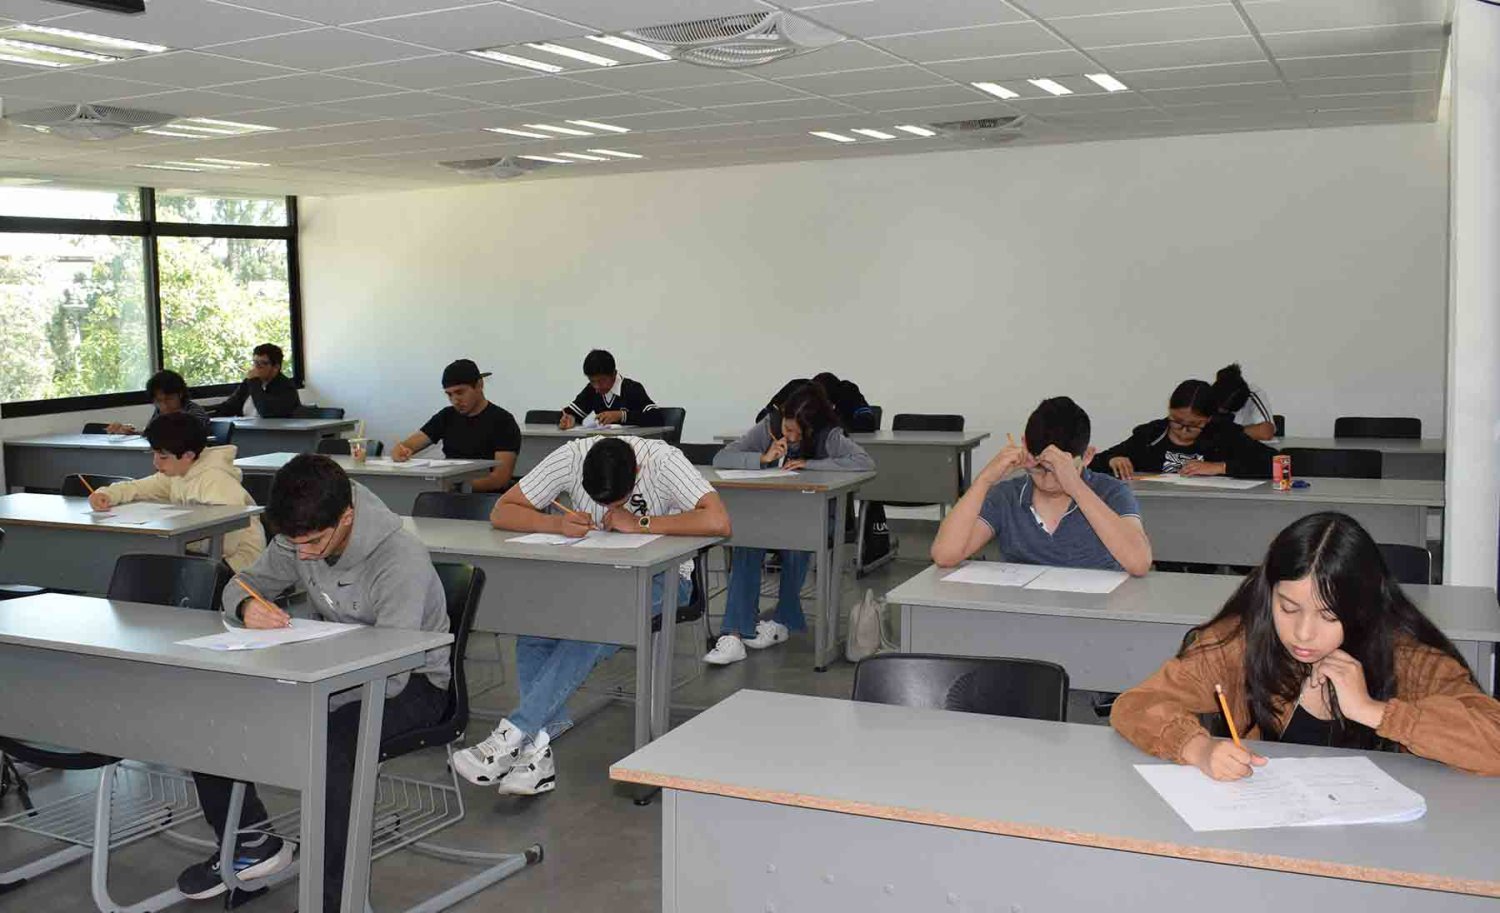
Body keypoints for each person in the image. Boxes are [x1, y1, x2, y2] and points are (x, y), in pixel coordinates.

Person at [178, 455, 451, 907]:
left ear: (347, 517)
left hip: (413, 682)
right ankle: (252, 844)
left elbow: (393, 673)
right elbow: (239, 585)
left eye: (313, 543)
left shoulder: (399, 558)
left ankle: (332, 897)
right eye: (293, 543)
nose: (302, 554)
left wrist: (308, 698)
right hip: (328, 671)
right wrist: (247, 606)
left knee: (332, 745)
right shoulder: (302, 532)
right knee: (216, 714)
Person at [1111, 512, 1500, 779]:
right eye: (1288, 608)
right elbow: (1136, 705)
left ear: (1363, 609)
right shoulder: (1240, 643)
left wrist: (1375, 711)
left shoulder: (1407, 657)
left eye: (1328, 616)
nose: (1303, 633)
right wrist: (1198, 749)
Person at [451, 436, 731, 795]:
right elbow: (502, 511)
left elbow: (719, 521)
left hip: (666, 576)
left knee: (597, 627)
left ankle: (514, 733)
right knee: (534, 625)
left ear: (638, 471)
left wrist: (641, 523)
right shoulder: (571, 455)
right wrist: (556, 525)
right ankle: (537, 751)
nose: (606, 510)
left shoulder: (663, 460)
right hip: (592, 574)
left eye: (616, 502)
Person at [707, 382, 874, 666]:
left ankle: (783, 620)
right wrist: (762, 458)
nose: (791, 437)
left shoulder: (829, 435)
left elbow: (864, 461)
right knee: (748, 540)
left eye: (798, 433)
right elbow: (721, 457)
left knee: (798, 542)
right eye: (788, 429)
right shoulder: (769, 426)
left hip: (817, 516)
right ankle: (734, 633)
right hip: (769, 513)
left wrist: (810, 464)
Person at [931, 396, 1152, 575]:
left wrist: (1076, 487)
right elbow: (945, 555)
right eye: (1038, 468)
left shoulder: (1112, 492)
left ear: (1087, 456)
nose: (1047, 480)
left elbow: (1139, 563)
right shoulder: (1008, 495)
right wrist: (984, 480)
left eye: (1058, 471)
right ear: (1025, 446)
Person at [87, 412, 265, 571]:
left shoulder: (216, 481)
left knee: (154, 568)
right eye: (154, 454)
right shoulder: (178, 472)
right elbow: (139, 487)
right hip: (200, 554)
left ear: (188, 455)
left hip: (239, 564)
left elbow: (228, 542)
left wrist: (179, 532)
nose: (156, 463)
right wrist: (107, 494)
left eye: (163, 457)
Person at [1091, 379, 1277, 480]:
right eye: (1177, 422)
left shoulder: (1224, 435)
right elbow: (1093, 462)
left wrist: (1220, 467)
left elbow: (1277, 463)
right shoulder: (1150, 435)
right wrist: (1113, 460)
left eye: (1194, 425)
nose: (1183, 431)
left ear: (1209, 419)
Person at [393, 359, 520, 492]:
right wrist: (400, 451)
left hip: (485, 498)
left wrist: (457, 486)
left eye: (460, 392)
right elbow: (408, 445)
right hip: (450, 493)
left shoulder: (503, 421)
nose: (455, 400)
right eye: (449, 394)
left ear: (479, 385)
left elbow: (500, 479)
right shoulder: (446, 416)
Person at [558, 349, 659, 429]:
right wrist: (569, 419)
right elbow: (569, 413)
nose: (597, 387)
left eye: (602, 381)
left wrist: (621, 416)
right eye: (592, 381)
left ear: (614, 374)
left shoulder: (632, 388)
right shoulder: (591, 390)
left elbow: (656, 417)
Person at [106, 369, 211, 435]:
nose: (164, 405)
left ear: (180, 394)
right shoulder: (160, 412)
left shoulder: (195, 413)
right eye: (159, 401)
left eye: (169, 399)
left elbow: (182, 437)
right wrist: (128, 432)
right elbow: (151, 434)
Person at [210, 343, 300, 418]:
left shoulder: (287, 387)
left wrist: (254, 382)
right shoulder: (249, 383)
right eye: (255, 362)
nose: (256, 367)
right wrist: (205, 413)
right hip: (245, 430)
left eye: (263, 363)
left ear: (276, 367)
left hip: (275, 432)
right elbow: (229, 407)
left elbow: (266, 411)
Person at [1211, 363, 1276, 441]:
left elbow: (1266, 433)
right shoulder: (1205, 393)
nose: (1220, 411)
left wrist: (1225, 432)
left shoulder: (1253, 394)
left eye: (1226, 410)